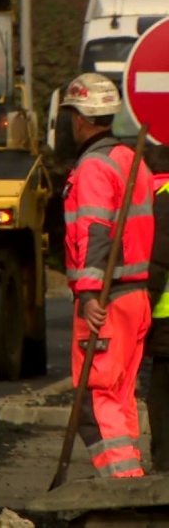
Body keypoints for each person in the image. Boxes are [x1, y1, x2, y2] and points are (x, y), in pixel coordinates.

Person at [60, 73, 155, 477]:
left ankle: (122, 489)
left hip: (107, 301)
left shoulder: (95, 167)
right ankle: (132, 483)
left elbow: (95, 233)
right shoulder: (131, 161)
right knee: (119, 399)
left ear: (80, 118)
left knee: (94, 403)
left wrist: (89, 293)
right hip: (134, 298)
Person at [143, 145, 169, 472]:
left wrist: (142, 308)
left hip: (165, 318)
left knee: (161, 397)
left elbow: (158, 262)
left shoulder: (162, 199)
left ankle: (164, 469)